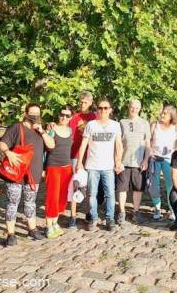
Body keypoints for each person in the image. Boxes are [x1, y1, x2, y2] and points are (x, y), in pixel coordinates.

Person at [0, 103, 55, 246]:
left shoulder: (41, 130)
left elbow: (51, 145)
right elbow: (2, 143)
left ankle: (32, 229)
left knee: (31, 203)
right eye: (32, 114)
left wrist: (42, 131)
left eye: (37, 114)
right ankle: (11, 234)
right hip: (16, 174)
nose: (35, 116)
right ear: (25, 114)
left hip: (33, 174)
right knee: (12, 203)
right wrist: (8, 152)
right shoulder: (17, 127)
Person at [76, 99, 123, 231]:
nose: (103, 110)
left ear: (110, 110)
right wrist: (79, 162)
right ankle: (94, 218)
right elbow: (83, 144)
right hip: (92, 166)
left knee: (110, 194)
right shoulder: (91, 125)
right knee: (92, 194)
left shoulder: (115, 125)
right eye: (100, 108)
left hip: (108, 166)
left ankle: (110, 219)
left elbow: (118, 144)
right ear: (97, 110)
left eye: (106, 108)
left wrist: (118, 161)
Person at [117, 99, 151, 225]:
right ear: (128, 107)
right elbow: (118, 143)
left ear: (140, 109)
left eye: (137, 108)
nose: (134, 109)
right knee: (122, 189)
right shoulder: (122, 122)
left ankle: (136, 212)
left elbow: (148, 143)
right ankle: (122, 212)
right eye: (132, 107)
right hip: (124, 161)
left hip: (139, 162)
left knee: (138, 189)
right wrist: (117, 160)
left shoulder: (144, 123)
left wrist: (146, 159)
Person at [67, 91, 97, 228]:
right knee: (75, 184)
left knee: (89, 187)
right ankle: (72, 216)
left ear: (90, 103)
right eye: (81, 101)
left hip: (90, 156)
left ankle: (88, 213)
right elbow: (68, 134)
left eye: (85, 102)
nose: (82, 104)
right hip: (75, 155)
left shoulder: (94, 117)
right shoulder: (74, 117)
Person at [44, 105, 73, 239]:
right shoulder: (51, 128)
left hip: (67, 168)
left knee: (62, 197)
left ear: (70, 117)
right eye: (62, 114)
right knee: (52, 196)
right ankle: (48, 225)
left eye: (67, 115)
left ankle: (55, 222)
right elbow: (48, 146)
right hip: (54, 167)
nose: (64, 117)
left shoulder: (70, 130)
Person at [149, 105, 177, 220]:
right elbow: (148, 141)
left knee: (170, 185)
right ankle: (157, 208)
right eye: (162, 113)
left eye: (165, 113)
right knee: (153, 185)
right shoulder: (154, 125)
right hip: (155, 158)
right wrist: (150, 153)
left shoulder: (175, 128)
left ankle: (172, 209)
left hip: (169, 160)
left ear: (171, 116)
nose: (162, 115)